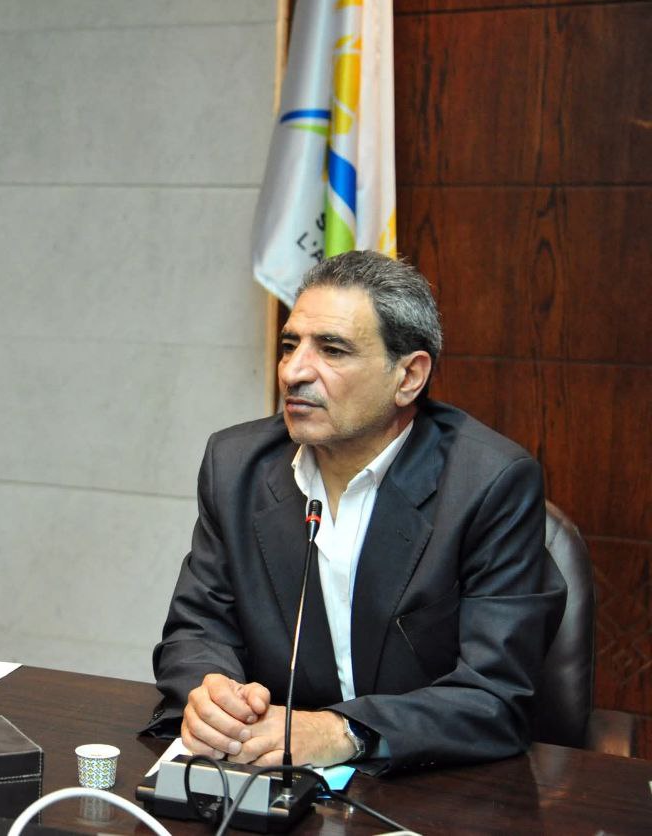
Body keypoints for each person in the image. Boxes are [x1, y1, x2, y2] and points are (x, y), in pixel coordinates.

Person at [149, 251, 566, 775]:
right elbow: (195, 631)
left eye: (332, 350)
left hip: (428, 783)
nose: (294, 372)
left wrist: (342, 731)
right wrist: (214, 696)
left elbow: (494, 696)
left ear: (408, 377)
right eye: (289, 346)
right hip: (271, 774)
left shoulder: (489, 484)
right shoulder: (236, 466)